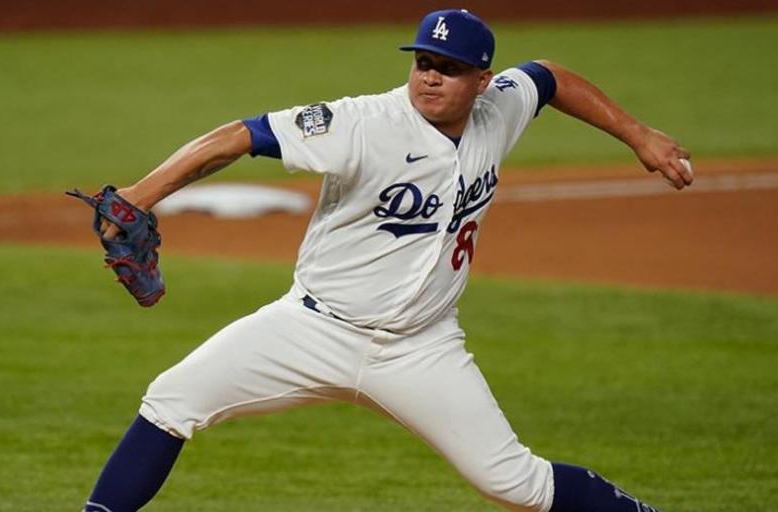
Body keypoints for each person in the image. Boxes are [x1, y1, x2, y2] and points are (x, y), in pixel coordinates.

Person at [82, 9, 691, 512]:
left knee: (516, 485)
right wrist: (140, 195)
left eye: (449, 69)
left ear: (482, 81)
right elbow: (240, 136)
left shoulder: (499, 109)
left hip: (422, 349)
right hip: (309, 329)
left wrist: (638, 134)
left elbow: (548, 77)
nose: (430, 78)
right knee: (171, 400)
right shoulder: (360, 123)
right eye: (423, 62)